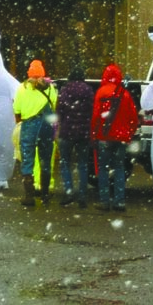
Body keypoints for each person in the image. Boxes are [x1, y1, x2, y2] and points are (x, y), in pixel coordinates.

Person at [91, 63, 139, 211]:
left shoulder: (101, 92)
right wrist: (129, 134)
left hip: (104, 136)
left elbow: (95, 116)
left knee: (103, 169)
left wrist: (93, 134)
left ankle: (104, 201)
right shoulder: (125, 94)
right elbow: (133, 117)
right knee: (119, 168)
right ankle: (119, 201)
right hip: (121, 138)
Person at [13, 59, 58, 206]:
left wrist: (21, 121)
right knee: (45, 159)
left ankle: (29, 196)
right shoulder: (51, 87)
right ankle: (45, 194)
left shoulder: (22, 88)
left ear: (29, 73)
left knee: (27, 158)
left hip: (29, 125)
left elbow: (16, 110)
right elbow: (55, 106)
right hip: (47, 126)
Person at [56, 66, 94, 208]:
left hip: (67, 132)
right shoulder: (89, 90)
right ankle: (83, 195)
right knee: (83, 164)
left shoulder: (65, 90)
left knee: (65, 162)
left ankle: (69, 191)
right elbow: (91, 110)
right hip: (83, 132)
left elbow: (59, 110)